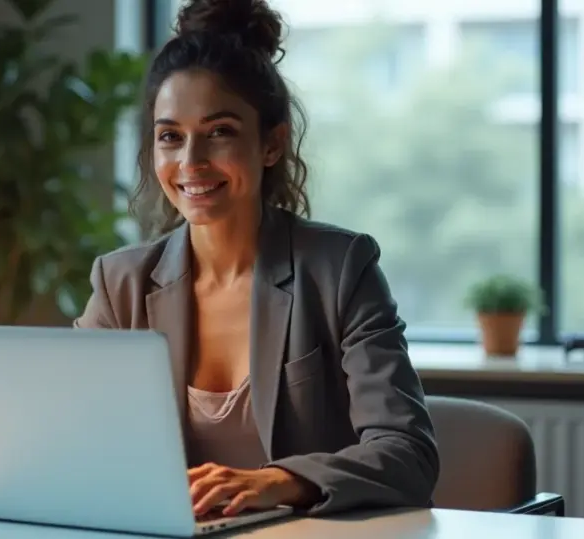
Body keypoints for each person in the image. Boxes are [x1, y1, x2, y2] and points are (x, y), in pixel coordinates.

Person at [73, 0, 439, 519]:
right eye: (170, 137)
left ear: (271, 144)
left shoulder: (340, 269)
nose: (191, 162)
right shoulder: (120, 284)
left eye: (219, 131)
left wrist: (281, 482)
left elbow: (408, 454)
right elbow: (71, 439)